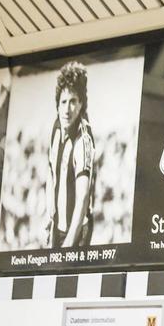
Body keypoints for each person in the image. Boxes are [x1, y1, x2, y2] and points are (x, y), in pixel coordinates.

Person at [46, 61, 95, 248]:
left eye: (73, 101)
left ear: (81, 104)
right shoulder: (56, 126)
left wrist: (67, 245)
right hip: (58, 226)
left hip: (77, 231)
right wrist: (49, 213)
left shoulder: (83, 141)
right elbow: (50, 171)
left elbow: (82, 198)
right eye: (63, 102)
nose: (67, 110)